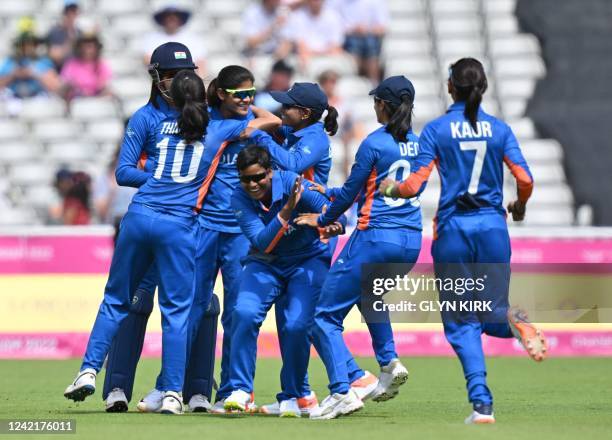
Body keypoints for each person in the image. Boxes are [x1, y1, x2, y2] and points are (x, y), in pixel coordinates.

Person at [63, 46, 277, 415]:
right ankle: (173, 393)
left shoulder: (164, 126)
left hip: (141, 216)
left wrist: (159, 181)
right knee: (176, 310)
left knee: (117, 300)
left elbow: (137, 171)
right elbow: (269, 120)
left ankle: (88, 370)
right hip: (181, 224)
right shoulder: (212, 126)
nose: (176, 80)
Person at [378, 58, 548, 424]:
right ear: (482, 88)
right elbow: (526, 178)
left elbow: (413, 185)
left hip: (454, 231)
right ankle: (514, 320)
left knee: (460, 320)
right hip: (492, 229)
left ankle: (482, 404)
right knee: (490, 313)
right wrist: (518, 205)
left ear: (450, 87)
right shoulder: (499, 130)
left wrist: (390, 186)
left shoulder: (437, 130)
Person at [295, 75, 422, 419]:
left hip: (375, 238)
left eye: (375, 102)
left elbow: (353, 193)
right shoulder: (419, 143)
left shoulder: (374, 143)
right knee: (371, 298)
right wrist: (330, 192)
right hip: (411, 243)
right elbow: (376, 188)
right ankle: (389, 361)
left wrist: (322, 219)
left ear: (383, 105)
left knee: (323, 317)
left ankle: (341, 393)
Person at [223, 146, 345, 417]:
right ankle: (241, 390)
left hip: (307, 260)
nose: (252, 185)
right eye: (246, 179)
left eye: (258, 177)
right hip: (265, 263)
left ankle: (293, 394)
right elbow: (262, 242)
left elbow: (338, 213)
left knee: (297, 325)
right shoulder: (238, 197)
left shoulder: (293, 182)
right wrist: (288, 209)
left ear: (270, 171)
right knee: (242, 312)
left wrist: (328, 221)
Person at [329, 0, 388, 83]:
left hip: (370, 37)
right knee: (355, 44)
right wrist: (353, 29)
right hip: (348, 37)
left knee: (369, 43)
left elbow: (382, 28)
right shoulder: (338, 3)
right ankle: (358, 81)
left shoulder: (376, 2)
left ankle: (372, 82)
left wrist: (366, 29)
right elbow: (333, 25)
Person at [141, 4, 206, 75]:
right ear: (163, 19)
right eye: (168, 16)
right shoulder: (152, 38)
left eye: (175, 16)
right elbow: (148, 62)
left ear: (180, 19)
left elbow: (200, 64)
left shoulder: (193, 39)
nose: (171, 19)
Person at [281, 0, 344, 70]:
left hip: (327, 59)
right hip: (305, 59)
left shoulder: (334, 16)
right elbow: (301, 47)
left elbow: (336, 47)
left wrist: (317, 54)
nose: (315, 2)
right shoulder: (297, 16)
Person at [0, 27, 61, 100]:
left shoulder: (44, 61)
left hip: (38, 100)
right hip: (14, 99)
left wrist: (33, 73)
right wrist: (13, 74)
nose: (27, 48)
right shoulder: (9, 62)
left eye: (30, 44)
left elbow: (55, 86)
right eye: (23, 44)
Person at [60, 31, 112, 99]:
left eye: (90, 46)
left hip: (97, 97)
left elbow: (104, 82)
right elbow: (66, 81)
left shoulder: (101, 64)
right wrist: (80, 90)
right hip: (77, 99)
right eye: (84, 46)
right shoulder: (71, 64)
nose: (87, 50)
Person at [46, 0, 81, 71]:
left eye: (74, 11)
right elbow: (55, 56)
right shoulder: (54, 31)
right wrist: (70, 41)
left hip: (75, 73)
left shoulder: (79, 32)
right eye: (68, 11)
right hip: (58, 71)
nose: (71, 14)